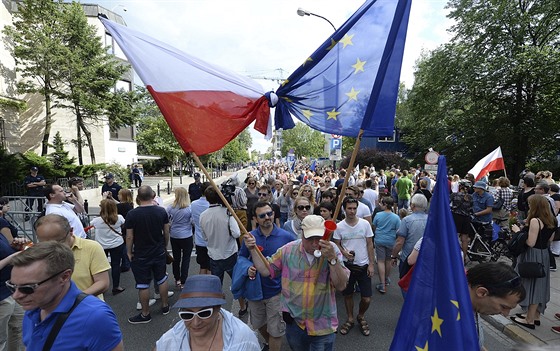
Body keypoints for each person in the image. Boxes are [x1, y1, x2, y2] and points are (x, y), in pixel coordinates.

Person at [245, 214, 349, 350]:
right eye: (309, 238)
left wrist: (332, 259)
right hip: (296, 323)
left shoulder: (332, 250)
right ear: (301, 234)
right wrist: (253, 249)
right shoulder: (288, 250)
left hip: (323, 325)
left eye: (319, 238)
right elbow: (266, 270)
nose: (314, 243)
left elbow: (341, 285)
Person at [8, 241, 123, 350]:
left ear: (64, 277)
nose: (16, 296)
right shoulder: (33, 307)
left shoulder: (96, 317)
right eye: (12, 286)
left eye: (27, 288)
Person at [238, 202, 294, 351]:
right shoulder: (250, 238)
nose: (267, 217)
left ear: (274, 214)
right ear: (256, 219)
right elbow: (241, 258)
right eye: (262, 216)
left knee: (276, 331)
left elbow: (295, 260)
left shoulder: (286, 237)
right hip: (255, 291)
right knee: (260, 324)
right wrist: (247, 268)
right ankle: (269, 344)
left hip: (277, 292)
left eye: (269, 213)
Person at [155, 275, 260, 350]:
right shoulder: (174, 338)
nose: (195, 322)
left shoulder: (243, 340)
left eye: (204, 313)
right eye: (187, 315)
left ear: (218, 308)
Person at [35, 214, 110, 300]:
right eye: (44, 243)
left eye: (58, 242)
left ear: (71, 231)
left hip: (86, 307)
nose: (51, 248)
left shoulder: (92, 247)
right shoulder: (38, 251)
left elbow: (103, 283)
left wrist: (72, 299)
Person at [126, 185, 171, 324]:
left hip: (141, 254)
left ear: (138, 198)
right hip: (158, 251)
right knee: (161, 279)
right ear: (153, 196)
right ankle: (165, 306)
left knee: (143, 284)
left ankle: (145, 314)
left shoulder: (132, 214)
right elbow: (166, 231)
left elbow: (129, 236)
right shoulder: (161, 211)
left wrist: (128, 252)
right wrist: (164, 246)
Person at [510, 194, 555, 329]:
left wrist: (518, 232)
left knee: (531, 286)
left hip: (532, 255)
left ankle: (529, 320)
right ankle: (535, 316)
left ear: (535, 206)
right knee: (540, 285)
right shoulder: (551, 219)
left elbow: (530, 242)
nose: (528, 206)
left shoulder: (536, 220)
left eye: (530, 204)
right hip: (544, 255)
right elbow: (551, 240)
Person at [333, 198, 375, 337]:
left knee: (367, 298)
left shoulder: (364, 224)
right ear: (344, 209)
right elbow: (336, 244)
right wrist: (343, 252)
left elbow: (370, 244)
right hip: (347, 266)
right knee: (348, 295)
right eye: (349, 208)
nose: (352, 211)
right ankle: (350, 318)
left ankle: (361, 315)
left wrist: (371, 264)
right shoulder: (339, 227)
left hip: (363, 265)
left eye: (354, 208)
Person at [467, 262, 525, 350]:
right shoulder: (449, 317)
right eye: (504, 307)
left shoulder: (473, 306)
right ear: (482, 292)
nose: (505, 314)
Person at [391, 194, 428, 289]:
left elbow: (400, 242)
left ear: (412, 205)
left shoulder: (407, 220)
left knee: (406, 285)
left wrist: (393, 256)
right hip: (426, 258)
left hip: (408, 258)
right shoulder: (431, 220)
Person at [91, 199, 126, 295]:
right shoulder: (119, 218)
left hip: (101, 245)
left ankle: (100, 287)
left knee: (100, 267)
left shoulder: (96, 221)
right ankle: (116, 286)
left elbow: (91, 225)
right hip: (117, 244)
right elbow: (123, 224)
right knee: (116, 265)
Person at [0, 234, 25, 351]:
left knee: (19, 328)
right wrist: (12, 257)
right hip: (2, 297)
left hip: (9, 291)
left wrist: (13, 247)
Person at [372, 196, 401, 294]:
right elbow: (398, 230)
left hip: (380, 239)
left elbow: (374, 226)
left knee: (380, 261)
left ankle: (382, 284)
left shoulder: (378, 215)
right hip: (391, 240)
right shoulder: (396, 217)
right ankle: (386, 278)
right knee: (388, 260)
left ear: (384, 204)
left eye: (381, 203)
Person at [166, 187, 193, 290]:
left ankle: (177, 278)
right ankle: (183, 281)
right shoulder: (189, 208)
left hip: (174, 235)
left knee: (176, 258)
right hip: (186, 235)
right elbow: (193, 222)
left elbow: (167, 221)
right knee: (186, 259)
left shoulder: (170, 208)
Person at [450, 180, 475, 261]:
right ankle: (463, 257)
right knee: (465, 239)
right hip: (466, 218)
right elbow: (471, 208)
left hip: (456, 217)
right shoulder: (470, 197)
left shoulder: (454, 195)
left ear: (460, 187)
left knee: (453, 237)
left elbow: (447, 204)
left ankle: (452, 255)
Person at [191, 182, 211, 275]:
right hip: (212, 240)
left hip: (199, 239)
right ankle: (211, 288)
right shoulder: (212, 205)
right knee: (211, 267)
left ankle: (201, 287)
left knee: (203, 266)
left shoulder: (194, 204)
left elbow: (192, 220)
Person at [117, 189, 134, 272]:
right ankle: (127, 262)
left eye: (119, 195)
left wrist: (104, 198)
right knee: (126, 245)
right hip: (127, 227)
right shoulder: (129, 204)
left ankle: (125, 264)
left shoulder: (120, 207)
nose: (118, 196)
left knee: (123, 247)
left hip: (122, 228)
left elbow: (109, 207)